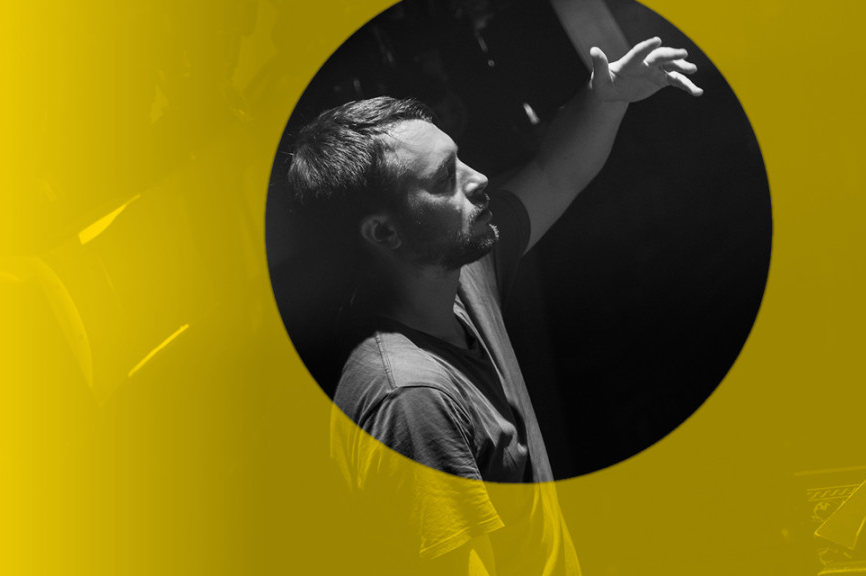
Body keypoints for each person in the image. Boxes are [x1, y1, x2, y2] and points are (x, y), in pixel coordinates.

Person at [287, 38, 702, 575]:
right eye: (444, 180)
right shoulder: (411, 397)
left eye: (459, 159)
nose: (478, 179)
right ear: (384, 232)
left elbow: (555, 172)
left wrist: (606, 98)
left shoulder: (458, 274)